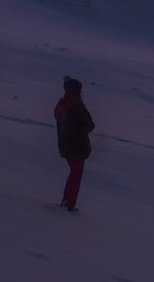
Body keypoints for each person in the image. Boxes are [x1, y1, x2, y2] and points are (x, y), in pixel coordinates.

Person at [54, 75, 95, 211]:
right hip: (77, 147)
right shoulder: (77, 107)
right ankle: (69, 203)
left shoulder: (62, 105)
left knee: (73, 174)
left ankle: (67, 200)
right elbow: (90, 125)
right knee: (76, 176)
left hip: (66, 147)